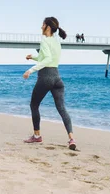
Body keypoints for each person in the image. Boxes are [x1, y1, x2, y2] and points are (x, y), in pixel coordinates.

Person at [23, 17, 76, 150]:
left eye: (42, 25)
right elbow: (46, 57)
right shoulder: (57, 41)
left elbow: (46, 59)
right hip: (57, 78)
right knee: (62, 108)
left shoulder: (44, 40)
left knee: (34, 105)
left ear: (47, 27)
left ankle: (37, 136)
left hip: (46, 77)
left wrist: (30, 70)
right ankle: (71, 139)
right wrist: (33, 57)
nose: (41, 27)